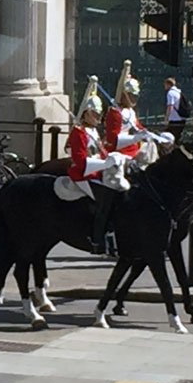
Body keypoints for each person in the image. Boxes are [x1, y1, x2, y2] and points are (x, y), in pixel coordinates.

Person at [67, 76, 130, 254]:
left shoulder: (93, 131)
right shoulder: (79, 133)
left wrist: (113, 158)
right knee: (105, 201)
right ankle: (97, 241)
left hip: (96, 173)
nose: (98, 117)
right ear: (86, 113)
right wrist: (104, 164)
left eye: (99, 114)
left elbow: (101, 152)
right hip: (82, 174)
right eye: (95, 114)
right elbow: (80, 160)